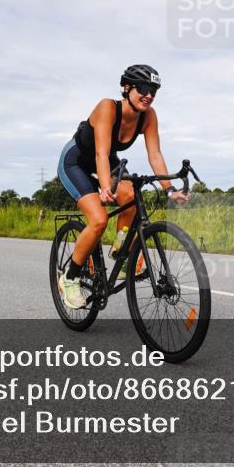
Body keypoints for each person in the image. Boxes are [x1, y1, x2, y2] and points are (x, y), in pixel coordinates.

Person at [56, 64, 189, 309]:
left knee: (131, 197)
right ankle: (70, 277)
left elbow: (155, 154)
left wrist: (169, 189)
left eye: (154, 91)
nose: (149, 95)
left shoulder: (148, 116)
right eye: (144, 88)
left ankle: (120, 253)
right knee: (98, 220)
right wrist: (106, 187)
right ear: (127, 88)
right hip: (76, 162)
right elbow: (101, 152)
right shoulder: (108, 107)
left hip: (107, 161)